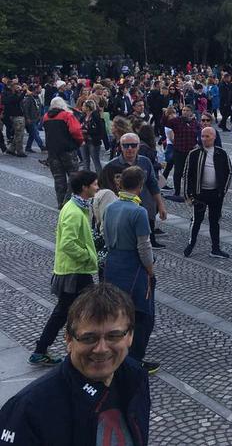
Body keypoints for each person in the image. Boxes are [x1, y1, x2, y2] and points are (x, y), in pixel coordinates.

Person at [0, 283, 151, 445]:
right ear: (69, 339)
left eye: (114, 336)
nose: (101, 349)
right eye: (88, 338)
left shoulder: (136, 377)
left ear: (130, 336)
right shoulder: (28, 409)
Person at [29, 170, 100, 366]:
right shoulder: (74, 212)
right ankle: (78, 348)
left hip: (74, 271)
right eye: (94, 184)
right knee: (81, 311)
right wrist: (87, 256)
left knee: (68, 312)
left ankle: (45, 349)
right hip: (75, 272)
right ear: (85, 187)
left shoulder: (76, 207)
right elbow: (68, 243)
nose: (97, 187)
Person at [102, 166, 159, 374]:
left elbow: (104, 235)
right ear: (140, 186)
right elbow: (144, 246)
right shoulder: (138, 211)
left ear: (120, 184)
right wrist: (150, 270)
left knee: (117, 314)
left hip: (113, 262)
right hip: (133, 267)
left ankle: (116, 355)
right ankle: (133, 360)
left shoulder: (111, 207)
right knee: (143, 315)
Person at [99, 133, 168, 250]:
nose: (130, 148)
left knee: (144, 242)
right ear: (120, 147)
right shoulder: (111, 166)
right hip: (121, 212)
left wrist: (161, 205)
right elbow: (103, 191)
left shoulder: (145, 162)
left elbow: (153, 185)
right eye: (126, 145)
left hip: (144, 207)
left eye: (133, 145)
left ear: (138, 146)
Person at [182, 125, 232, 259]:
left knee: (214, 221)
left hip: (216, 194)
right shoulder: (194, 153)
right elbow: (187, 175)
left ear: (214, 138)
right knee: (196, 220)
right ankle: (191, 244)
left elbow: (229, 172)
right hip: (200, 194)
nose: (204, 139)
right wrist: (188, 195)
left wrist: (223, 191)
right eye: (202, 136)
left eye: (207, 136)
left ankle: (215, 248)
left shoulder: (221, 153)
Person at [43, 96, 85, 208]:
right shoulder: (67, 115)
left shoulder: (46, 117)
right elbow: (76, 131)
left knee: (58, 178)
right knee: (73, 176)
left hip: (52, 152)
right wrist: (80, 142)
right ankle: (68, 202)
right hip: (68, 150)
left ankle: (60, 202)